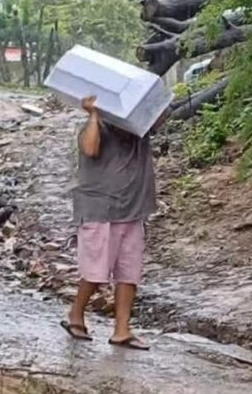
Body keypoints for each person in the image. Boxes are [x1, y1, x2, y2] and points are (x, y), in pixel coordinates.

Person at [61, 95, 163, 350]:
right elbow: (90, 149)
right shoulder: (96, 126)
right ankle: (75, 314)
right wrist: (94, 114)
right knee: (95, 272)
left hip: (132, 210)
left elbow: (162, 115)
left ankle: (121, 329)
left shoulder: (139, 128)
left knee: (130, 274)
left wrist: (149, 102)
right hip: (99, 210)